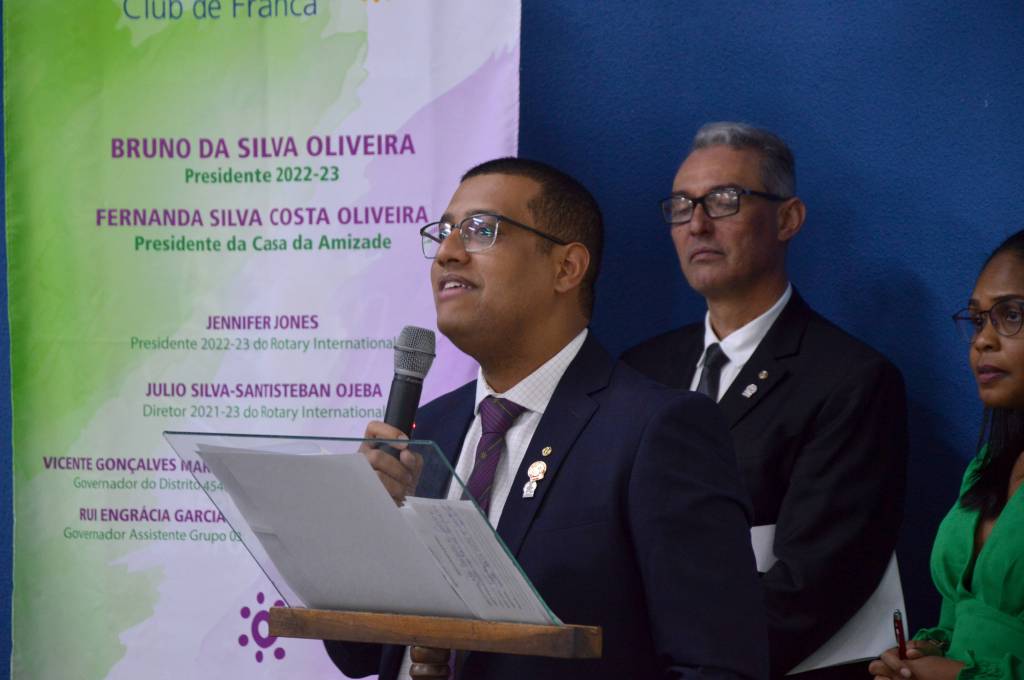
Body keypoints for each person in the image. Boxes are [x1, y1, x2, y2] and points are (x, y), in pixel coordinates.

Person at [324, 158, 769, 679]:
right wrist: (366, 528)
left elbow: (718, 666)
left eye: (481, 230)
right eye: (444, 233)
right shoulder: (427, 431)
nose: (447, 252)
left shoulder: (656, 430)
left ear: (566, 268)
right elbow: (355, 654)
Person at [623, 122, 908, 679]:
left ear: (788, 219)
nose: (697, 224)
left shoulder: (851, 379)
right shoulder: (639, 369)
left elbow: (814, 584)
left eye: (724, 200)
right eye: (681, 206)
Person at [869, 230, 1024, 680]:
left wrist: (956, 675)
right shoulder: (984, 469)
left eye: (1011, 315)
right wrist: (924, 653)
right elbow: (958, 623)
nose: (982, 341)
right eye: (977, 320)